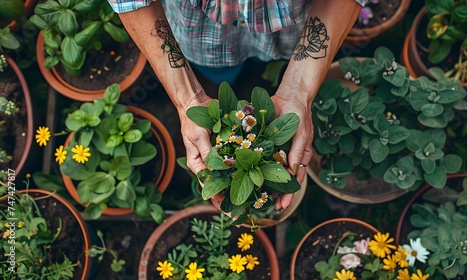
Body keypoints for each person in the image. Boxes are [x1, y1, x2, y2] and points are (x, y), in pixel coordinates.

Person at [108, 0, 364, 210]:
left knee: (248, 71)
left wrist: (300, 89)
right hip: (202, 35)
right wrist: (187, 97)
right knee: (219, 73)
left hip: (290, 27)